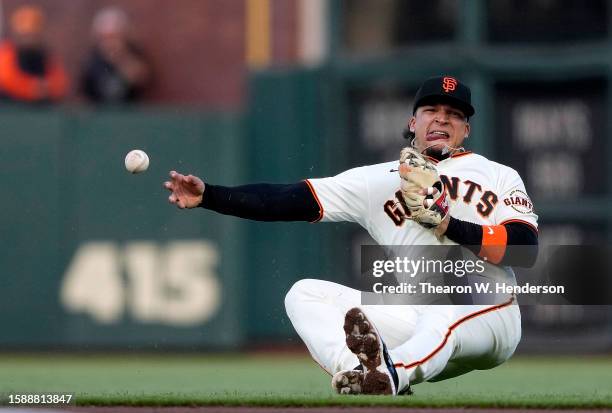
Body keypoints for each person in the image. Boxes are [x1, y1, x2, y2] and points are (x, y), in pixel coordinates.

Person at [163, 76, 539, 395]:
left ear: (466, 129)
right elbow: (287, 199)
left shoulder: (496, 174)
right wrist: (210, 195)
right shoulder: (378, 180)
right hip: (416, 320)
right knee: (304, 294)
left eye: (454, 114)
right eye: (432, 111)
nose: (442, 119)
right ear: (413, 121)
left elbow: (524, 250)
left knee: (444, 309)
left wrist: (449, 225)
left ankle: (390, 377)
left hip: (490, 314)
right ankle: (359, 372)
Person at [81, 7, 150, 104]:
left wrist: (120, 59)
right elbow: (85, 90)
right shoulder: (93, 60)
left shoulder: (134, 53)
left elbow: (142, 79)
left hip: (131, 112)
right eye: (105, 37)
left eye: (113, 36)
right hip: (100, 113)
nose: (109, 42)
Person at [0, 5, 68, 103]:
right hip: (12, 110)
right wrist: (31, 89)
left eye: (33, 34)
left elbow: (60, 82)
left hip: (40, 110)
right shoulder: (7, 53)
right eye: (25, 35)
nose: (29, 39)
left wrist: (47, 88)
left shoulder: (44, 56)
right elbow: (6, 78)